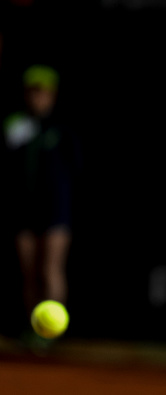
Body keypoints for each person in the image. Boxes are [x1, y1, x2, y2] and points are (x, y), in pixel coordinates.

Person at [3, 64, 80, 322]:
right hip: (23, 209)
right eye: (33, 92)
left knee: (50, 269)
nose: (38, 97)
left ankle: (50, 333)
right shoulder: (14, 126)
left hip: (56, 211)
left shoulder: (63, 129)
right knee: (28, 271)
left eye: (43, 92)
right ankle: (31, 328)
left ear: (53, 95)